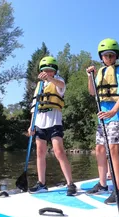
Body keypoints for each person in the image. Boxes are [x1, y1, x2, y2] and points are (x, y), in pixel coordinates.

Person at [86, 38, 119, 204]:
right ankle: (103, 184)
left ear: (115, 56)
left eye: (111, 55)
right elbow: (92, 92)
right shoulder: (101, 72)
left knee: (113, 149)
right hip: (103, 117)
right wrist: (90, 76)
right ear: (101, 57)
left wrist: (113, 111)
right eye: (105, 56)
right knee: (99, 149)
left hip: (117, 115)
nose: (108, 58)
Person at [28, 56, 77, 196]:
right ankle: (41, 183)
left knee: (59, 152)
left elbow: (61, 86)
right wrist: (31, 125)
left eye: (50, 70)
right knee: (40, 153)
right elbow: (34, 107)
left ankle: (70, 183)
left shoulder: (58, 81)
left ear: (54, 71)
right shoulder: (39, 86)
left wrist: (50, 79)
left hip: (54, 121)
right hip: (39, 122)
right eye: (45, 70)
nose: (47, 73)